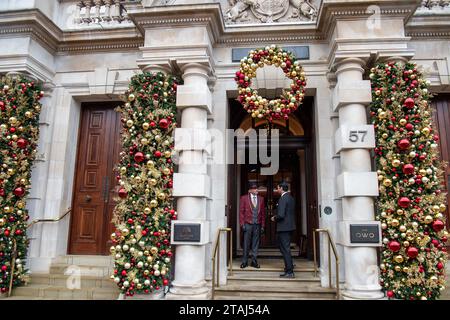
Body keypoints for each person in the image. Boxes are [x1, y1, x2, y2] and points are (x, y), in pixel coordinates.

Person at [271, 181, 296, 278]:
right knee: (285, 248)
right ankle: (289, 266)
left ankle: (289, 271)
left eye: (277, 188)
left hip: (283, 228)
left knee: (285, 249)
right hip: (289, 227)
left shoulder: (282, 199)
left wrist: (274, 218)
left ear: (281, 188)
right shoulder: (290, 198)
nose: (277, 190)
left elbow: (281, 215)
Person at [239, 181, 265, 269]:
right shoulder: (244, 198)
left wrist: (263, 225)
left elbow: (263, 214)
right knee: (246, 243)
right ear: (250, 190)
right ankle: (244, 261)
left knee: (255, 244)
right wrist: (242, 224)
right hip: (248, 224)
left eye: (257, 188)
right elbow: (241, 212)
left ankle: (254, 261)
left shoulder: (261, 199)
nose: (256, 189)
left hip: (257, 224)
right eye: (254, 188)